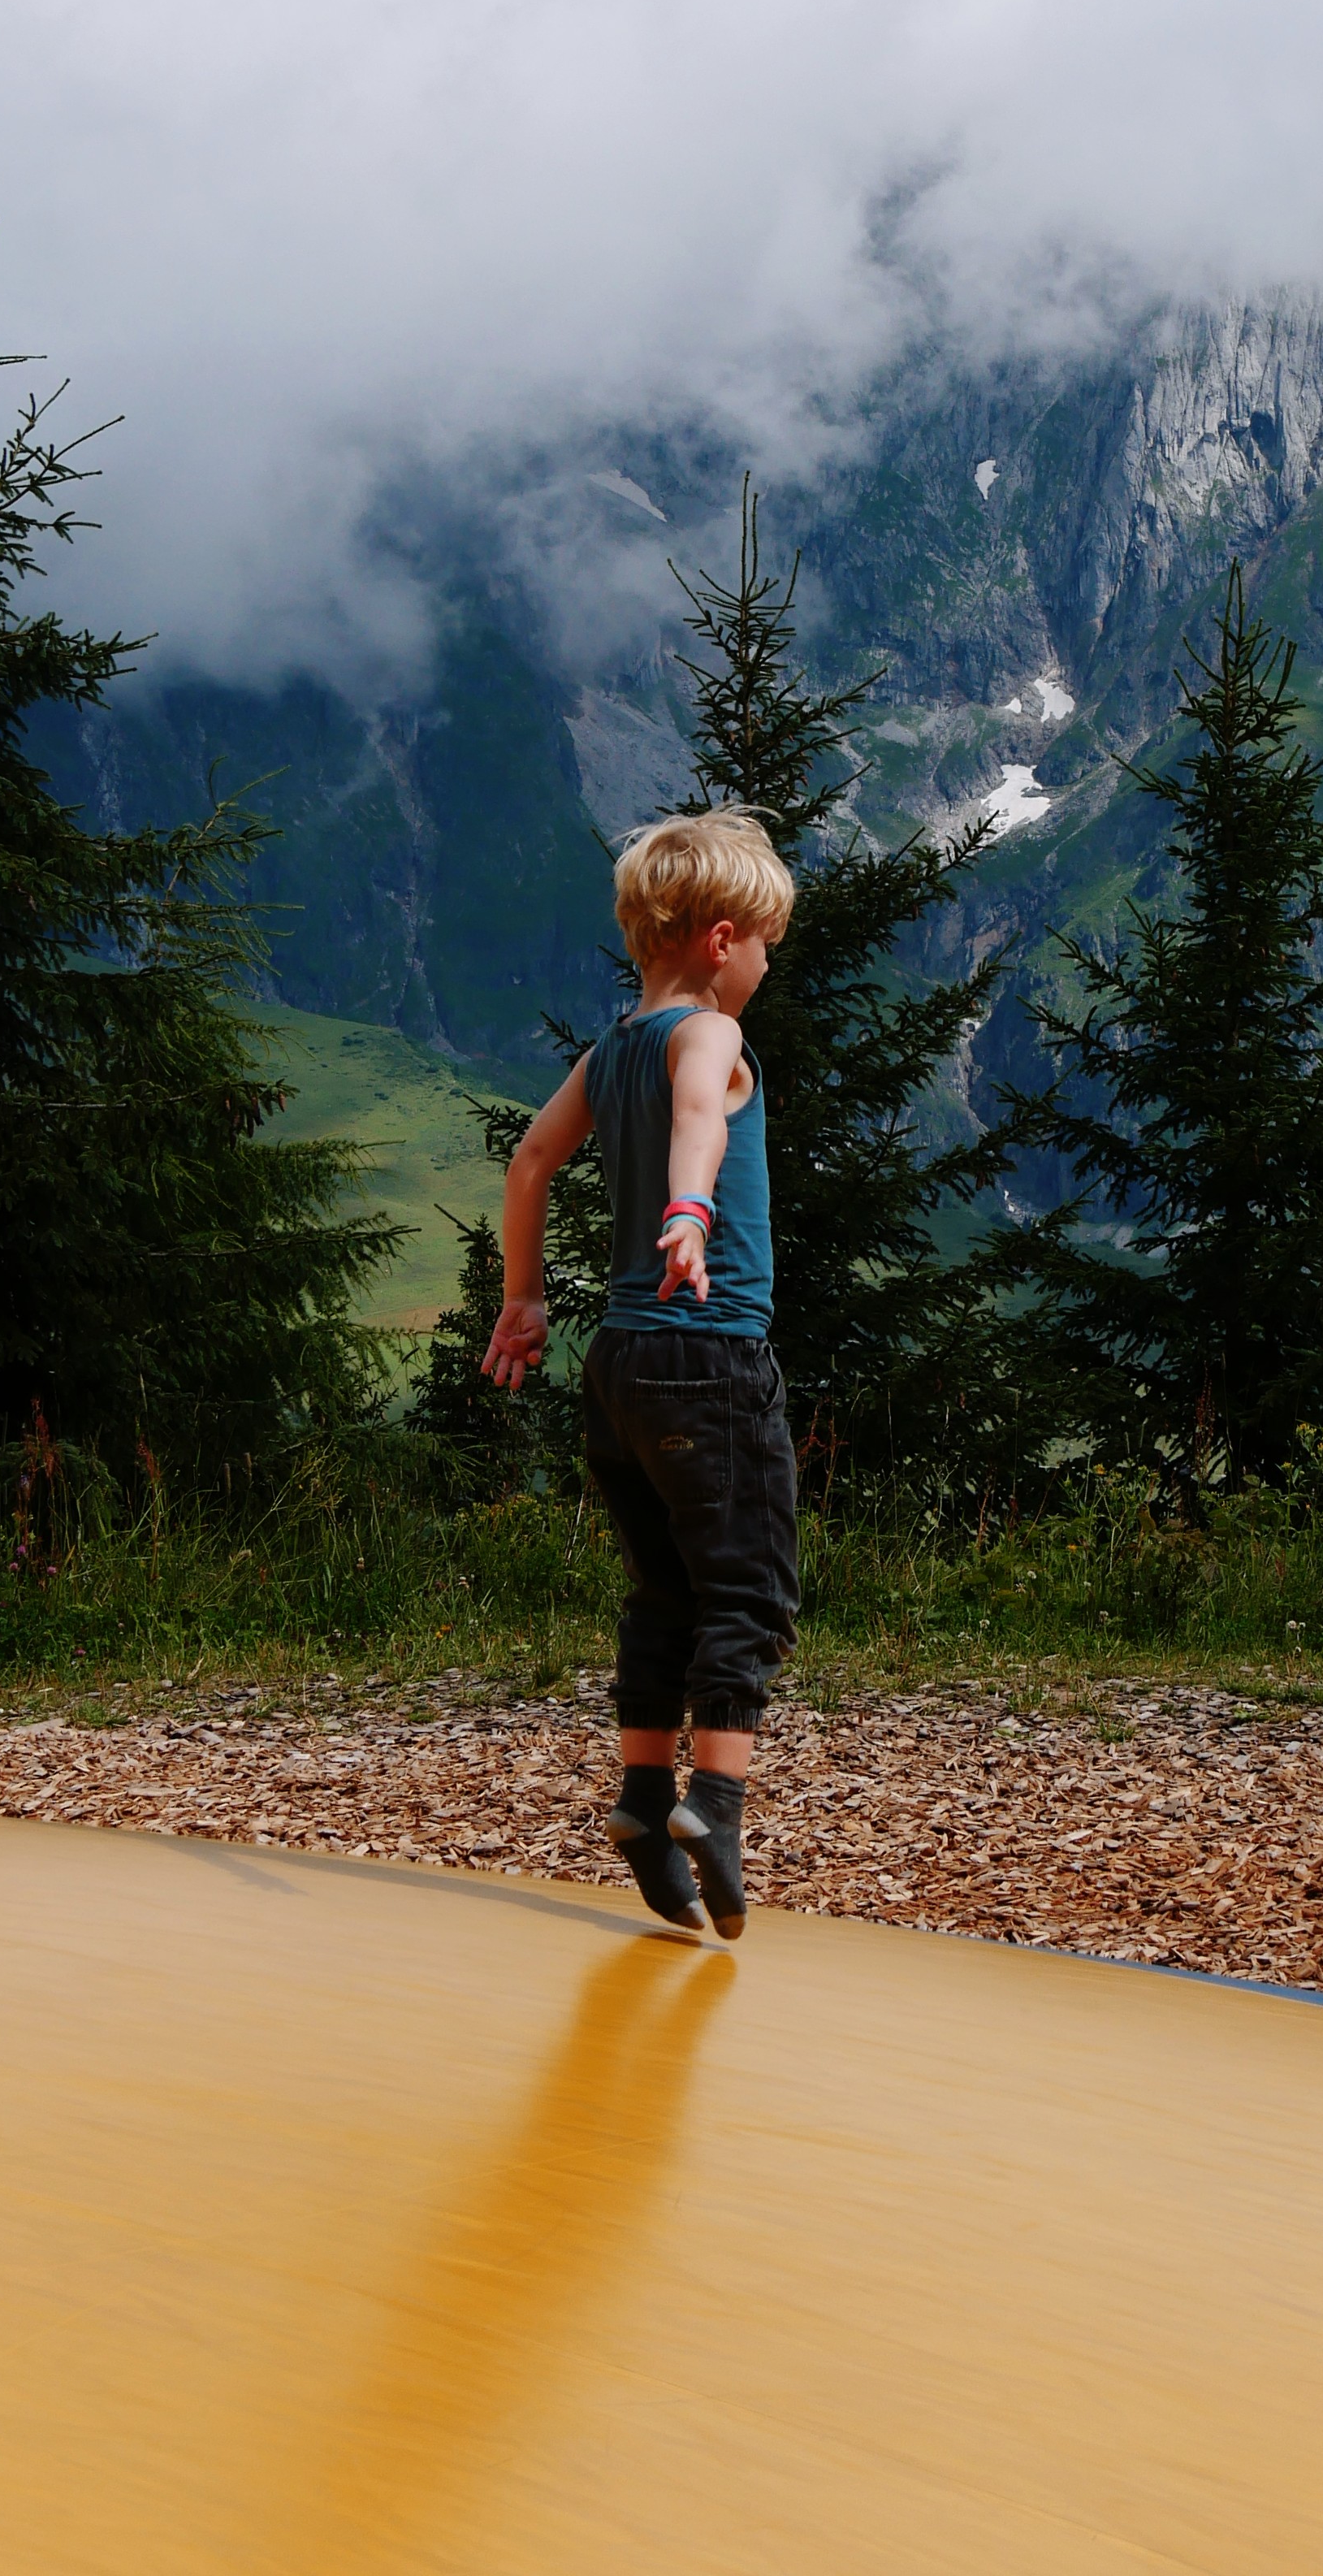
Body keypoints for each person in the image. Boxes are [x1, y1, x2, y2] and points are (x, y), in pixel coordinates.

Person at [482, 807, 798, 1938]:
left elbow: (530, 1159)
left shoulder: (608, 1048)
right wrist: (687, 1206)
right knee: (749, 1587)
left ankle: (641, 1795)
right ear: (722, 939)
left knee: (663, 1589)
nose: (765, 965)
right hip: (707, 1352)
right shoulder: (707, 1034)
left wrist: (525, 1300)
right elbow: (702, 1114)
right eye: (765, 944)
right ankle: (714, 1803)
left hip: (616, 1366)